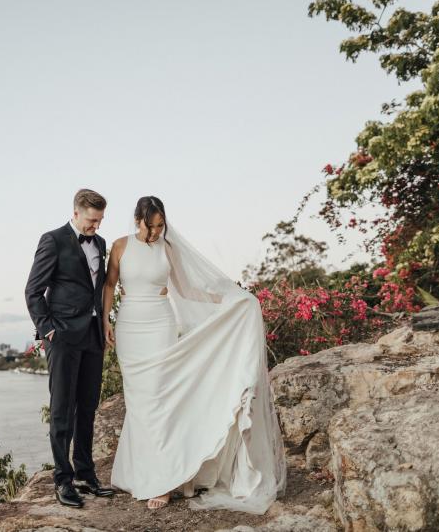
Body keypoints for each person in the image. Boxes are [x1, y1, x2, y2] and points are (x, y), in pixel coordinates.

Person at [103, 196, 286, 512]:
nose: (157, 232)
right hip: (130, 326)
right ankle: (139, 473)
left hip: (160, 325)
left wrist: (229, 301)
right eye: (151, 226)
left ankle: (166, 480)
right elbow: (109, 285)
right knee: (139, 401)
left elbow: (185, 290)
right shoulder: (120, 246)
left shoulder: (167, 248)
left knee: (159, 400)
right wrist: (106, 319)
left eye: (161, 225)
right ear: (137, 221)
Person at [24, 188, 116, 508]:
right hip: (62, 336)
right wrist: (48, 331)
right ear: (76, 213)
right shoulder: (52, 240)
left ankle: (85, 474)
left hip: (92, 335)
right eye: (92, 220)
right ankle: (63, 480)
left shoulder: (100, 244)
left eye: (100, 221)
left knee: (88, 407)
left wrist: (104, 321)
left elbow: (99, 287)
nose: (96, 227)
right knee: (62, 411)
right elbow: (33, 291)